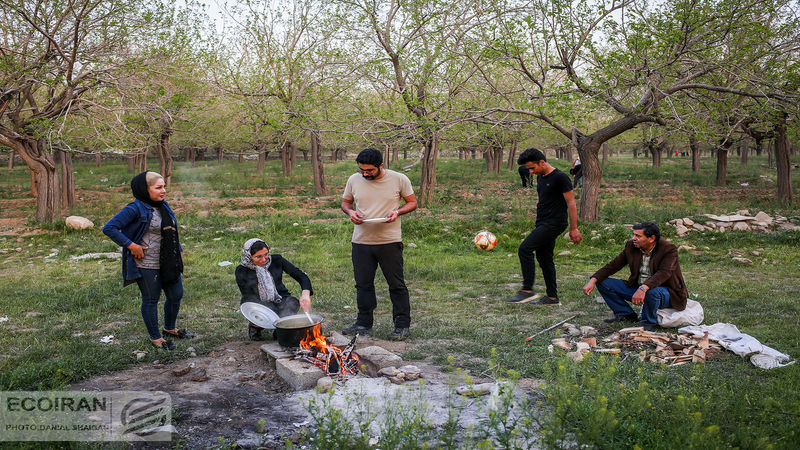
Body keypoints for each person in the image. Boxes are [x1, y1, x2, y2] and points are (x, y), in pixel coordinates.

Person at [103, 171, 191, 350]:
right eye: (158, 187)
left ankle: (169, 327)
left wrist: (179, 251)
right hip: (147, 263)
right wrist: (131, 245)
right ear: (145, 189)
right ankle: (156, 338)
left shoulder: (163, 206)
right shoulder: (135, 208)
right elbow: (110, 228)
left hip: (168, 261)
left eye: (164, 186)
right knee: (151, 299)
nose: (163, 190)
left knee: (176, 295)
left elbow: (171, 232)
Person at [340, 148, 417, 341]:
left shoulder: (399, 179)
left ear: (380, 165)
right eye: (362, 170)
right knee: (363, 285)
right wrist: (351, 213)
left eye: (369, 170)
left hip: (389, 241)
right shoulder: (353, 180)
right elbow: (346, 203)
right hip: (361, 241)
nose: (365, 174)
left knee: (396, 284)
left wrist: (397, 212)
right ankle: (363, 323)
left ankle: (401, 325)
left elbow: (412, 202)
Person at [582, 222, 688, 331]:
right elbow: (614, 265)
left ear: (652, 238)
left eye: (638, 236)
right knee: (603, 282)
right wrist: (593, 279)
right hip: (639, 288)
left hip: (666, 292)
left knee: (652, 292)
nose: (634, 238)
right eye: (634, 235)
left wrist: (644, 288)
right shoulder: (631, 246)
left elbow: (664, 273)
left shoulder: (668, 249)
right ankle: (625, 315)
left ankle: (647, 323)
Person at [508, 148, 582, 304]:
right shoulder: (541, 177)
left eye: (532, 168)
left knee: (525, 249)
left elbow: (571, 203)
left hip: (555, 222)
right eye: (529, 169)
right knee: (544, 257)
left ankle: (527, 290)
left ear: (542, 162)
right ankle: (552, 297)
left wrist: (574, 228)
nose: (531, 172)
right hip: (542, 221)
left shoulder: (560, 177)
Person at [236, 238, 313, 341]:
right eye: (258, 257)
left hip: (279, 298)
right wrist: (258, 315)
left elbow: (301, 276)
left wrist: (305, 294)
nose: (264, 259)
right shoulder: (242, 271)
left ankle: (279, 329)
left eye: (266, 254)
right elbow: (248, 295)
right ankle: (255, 327)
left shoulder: (277, 260)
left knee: (292, 303)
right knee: (260, 315)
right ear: (249, 256)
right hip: (256, 303)